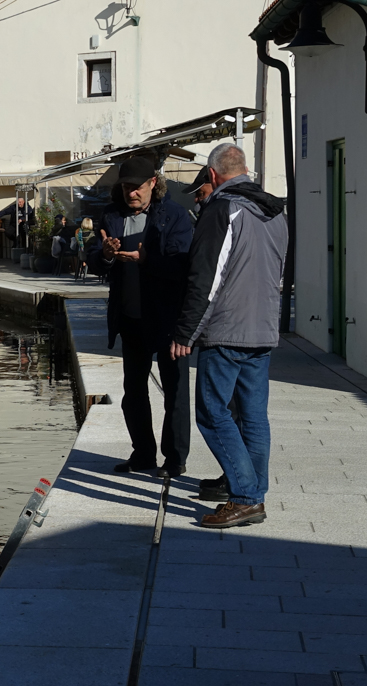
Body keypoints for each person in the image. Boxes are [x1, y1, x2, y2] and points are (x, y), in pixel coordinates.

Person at [171, 143, 287, 528]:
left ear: (213, 175)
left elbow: (206, 277)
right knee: (253, 416)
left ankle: (246, 496)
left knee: (212, 412)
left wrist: (186, 331)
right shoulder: (275, 214)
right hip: (263, 329)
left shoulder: (223, 210)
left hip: (226, 331)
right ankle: (251, 488)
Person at [86, 156, 195, 477]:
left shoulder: (174, 216)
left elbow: (182, 266)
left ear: (153, 184)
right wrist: (104, 254)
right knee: (133, 393)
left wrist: (147, 259)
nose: (130, 193)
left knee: (175, 393)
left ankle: (175, 459)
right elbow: (93, 258)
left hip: (166, 319)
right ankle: (143, 454)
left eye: (136, 188)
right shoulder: (111, 215)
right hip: (130, 318)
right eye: (125, 188)